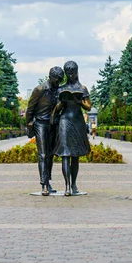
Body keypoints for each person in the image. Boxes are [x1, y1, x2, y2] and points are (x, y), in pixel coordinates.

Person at [51, 61, 92, 196]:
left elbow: (89, 107)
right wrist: (62, 102)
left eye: (72, 72)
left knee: (75, 155)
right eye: (68, 73)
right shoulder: (61, 89)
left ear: (77, 72)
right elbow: (56, 109)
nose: (70, 75)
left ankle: (74, 184)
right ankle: (67, 186)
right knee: (65, 154)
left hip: (78, 121)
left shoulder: (82, 88)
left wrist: (79, 101)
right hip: (65, 121)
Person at [26, 66, 64, 196]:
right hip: (41, 123)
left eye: (60, 80)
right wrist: (29, 124)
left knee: (50, 154)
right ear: (51, 77)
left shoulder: (58, 90)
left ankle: (48, 181)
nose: (58, 82)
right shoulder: (40, 89)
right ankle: (44, 185)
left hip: (53, 124)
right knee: (42, 154)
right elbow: (30, 108)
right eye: (56, 80)